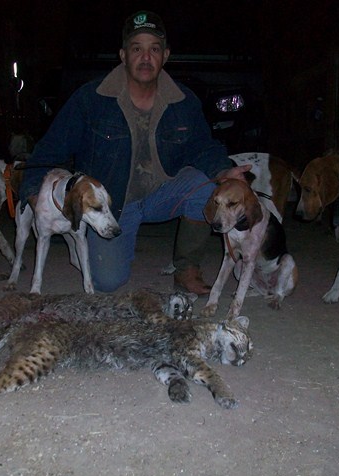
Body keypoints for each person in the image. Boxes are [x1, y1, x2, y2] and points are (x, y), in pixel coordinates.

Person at [19, 10, 241, 295]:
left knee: (207, 186)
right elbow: (49, 150)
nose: (146, 57)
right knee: (107, 281)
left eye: (154, 49)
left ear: (166, 55)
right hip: (114, 204)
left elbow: (203, 147)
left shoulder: (184, 101)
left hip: (163, 193)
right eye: (137, 49)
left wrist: (224, 170)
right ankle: (112, 250)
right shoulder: (90, 99)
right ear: (123, 55)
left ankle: (187, 268)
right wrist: (34, 194)